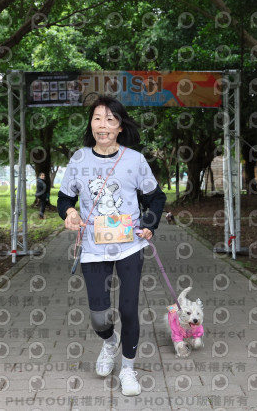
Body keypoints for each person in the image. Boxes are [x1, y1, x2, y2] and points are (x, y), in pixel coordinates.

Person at [57, 95, 166, 396]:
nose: (102, 125)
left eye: (110, 119)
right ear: (91, 124)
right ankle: (109, 342)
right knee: (99, 317)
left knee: (128, 309)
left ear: (119, 127)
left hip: (130, 245)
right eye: (97, 118)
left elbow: (156, 197)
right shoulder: (79, 159)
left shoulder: (134, 160)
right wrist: (70, 213)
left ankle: (128, 369)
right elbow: (64, 198)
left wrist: (149, 223)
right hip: (93, 247)